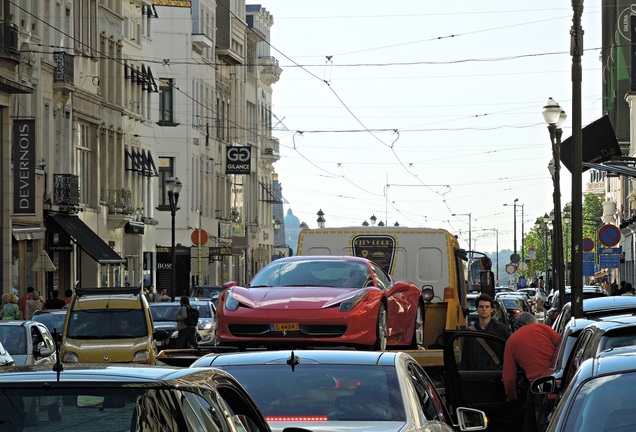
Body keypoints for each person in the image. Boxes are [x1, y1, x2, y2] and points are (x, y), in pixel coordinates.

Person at [503, 312, 560, 432]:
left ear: (517, 326)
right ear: (533, 321)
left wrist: (511, 398)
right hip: (557, 379)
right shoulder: (543, 328)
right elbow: (562, 345)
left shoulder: (511, 341)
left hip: (537, 385)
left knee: (531, 423)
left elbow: (508, 378)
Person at [461, 293, 511, 370]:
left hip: (495, 374)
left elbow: (509, 350)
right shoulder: (470, 332)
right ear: (477, 309)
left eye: (487, 307)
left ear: (492, 309)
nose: (484, 309)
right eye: (481, 307)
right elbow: (465, 356)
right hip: (475, 375)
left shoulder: (501, 329)